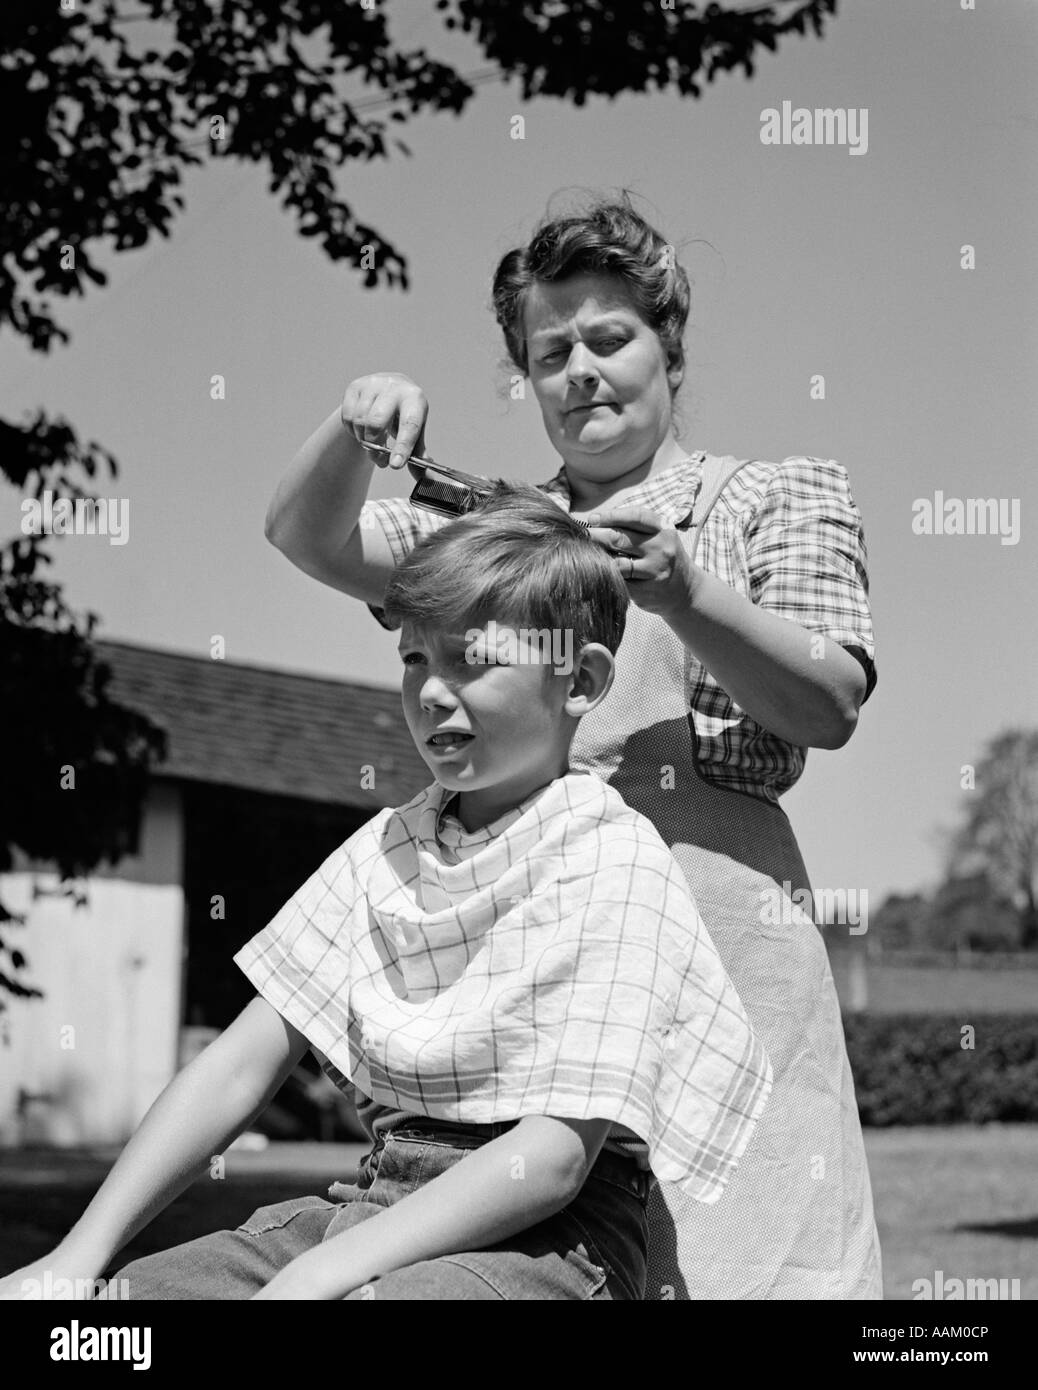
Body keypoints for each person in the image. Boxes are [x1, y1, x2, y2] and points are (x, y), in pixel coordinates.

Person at [262, 193, 883, 1299]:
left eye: (610, 339)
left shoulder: (775, 493)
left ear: (668, 349)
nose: (582, 371)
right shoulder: (496, 535)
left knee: (753, 1261)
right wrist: (351, 427)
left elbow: (827, 702)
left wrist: (688, 592)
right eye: (552, 353)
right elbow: (309, 534)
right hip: (529, 951)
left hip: (727, 934)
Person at [0, 490, 771, 1302]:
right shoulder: (388, 848)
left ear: (579, 679)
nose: (433, 692)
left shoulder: (612, 859)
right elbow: (240, 1062)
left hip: (552, 1239)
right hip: (376, 1198)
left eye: (471, 658)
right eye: (414, 658)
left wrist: (323, 1272)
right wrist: (76, 1257)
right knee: (125, 1307)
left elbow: (551, 1160)